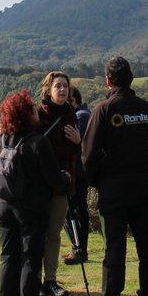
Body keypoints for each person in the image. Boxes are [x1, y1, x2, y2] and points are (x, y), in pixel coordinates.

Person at [81, 56, 148, 296]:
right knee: (147, 247)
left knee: (115, 249)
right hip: (143, 188)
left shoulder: (103, 110)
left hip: (113, 191)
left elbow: (87, 158)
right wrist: (146, 165)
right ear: (131, 79)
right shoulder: (147, 109)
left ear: (108, 81)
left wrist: (99, 180)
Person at [0, 90, 69, 296]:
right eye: (32, 109)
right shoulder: (38, 142)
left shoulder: (2, 139)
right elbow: (54, 181)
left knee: (8, 259)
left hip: (3, 206)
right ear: (26, 114)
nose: (36, 111)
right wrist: (65, 179)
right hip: (30, 209)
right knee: (30, 260)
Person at [35, 71, 80, 296]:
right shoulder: (37, 115)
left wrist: (78, 142)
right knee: (37, 233)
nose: (62, 90)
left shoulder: (72, 115)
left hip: (63, 185)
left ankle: (50, 280)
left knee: (54, 234)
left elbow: (77, 152)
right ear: (48, 90)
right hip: (39, 186)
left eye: (65, 86)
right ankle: (34, 282)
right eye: (58, 86)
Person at [62, 86, 92, 266]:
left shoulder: (80, 117)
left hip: (77, 172)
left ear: (73, 100)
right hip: (83, 171)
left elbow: (72, 144)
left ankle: (78, 248)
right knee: (80, 210)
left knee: (70, 211)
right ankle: (80, 248)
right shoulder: (87, 114)